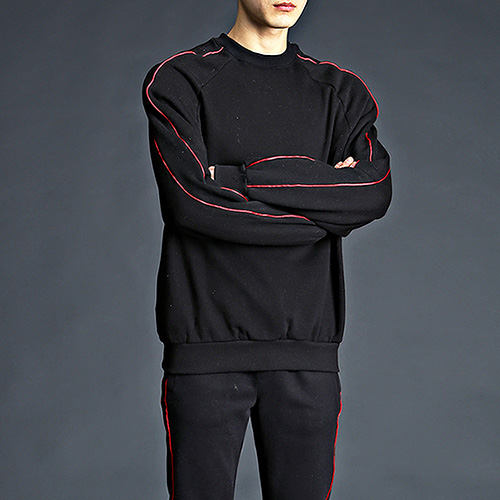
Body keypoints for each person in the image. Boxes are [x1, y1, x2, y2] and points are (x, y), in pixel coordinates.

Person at [142, 0, 392, 498]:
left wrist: (237, 179)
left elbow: (371, 192)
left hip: (307, 354)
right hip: (206, 352)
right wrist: (321, 210)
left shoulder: (341, 92)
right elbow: (193, 205)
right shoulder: (180, 80)